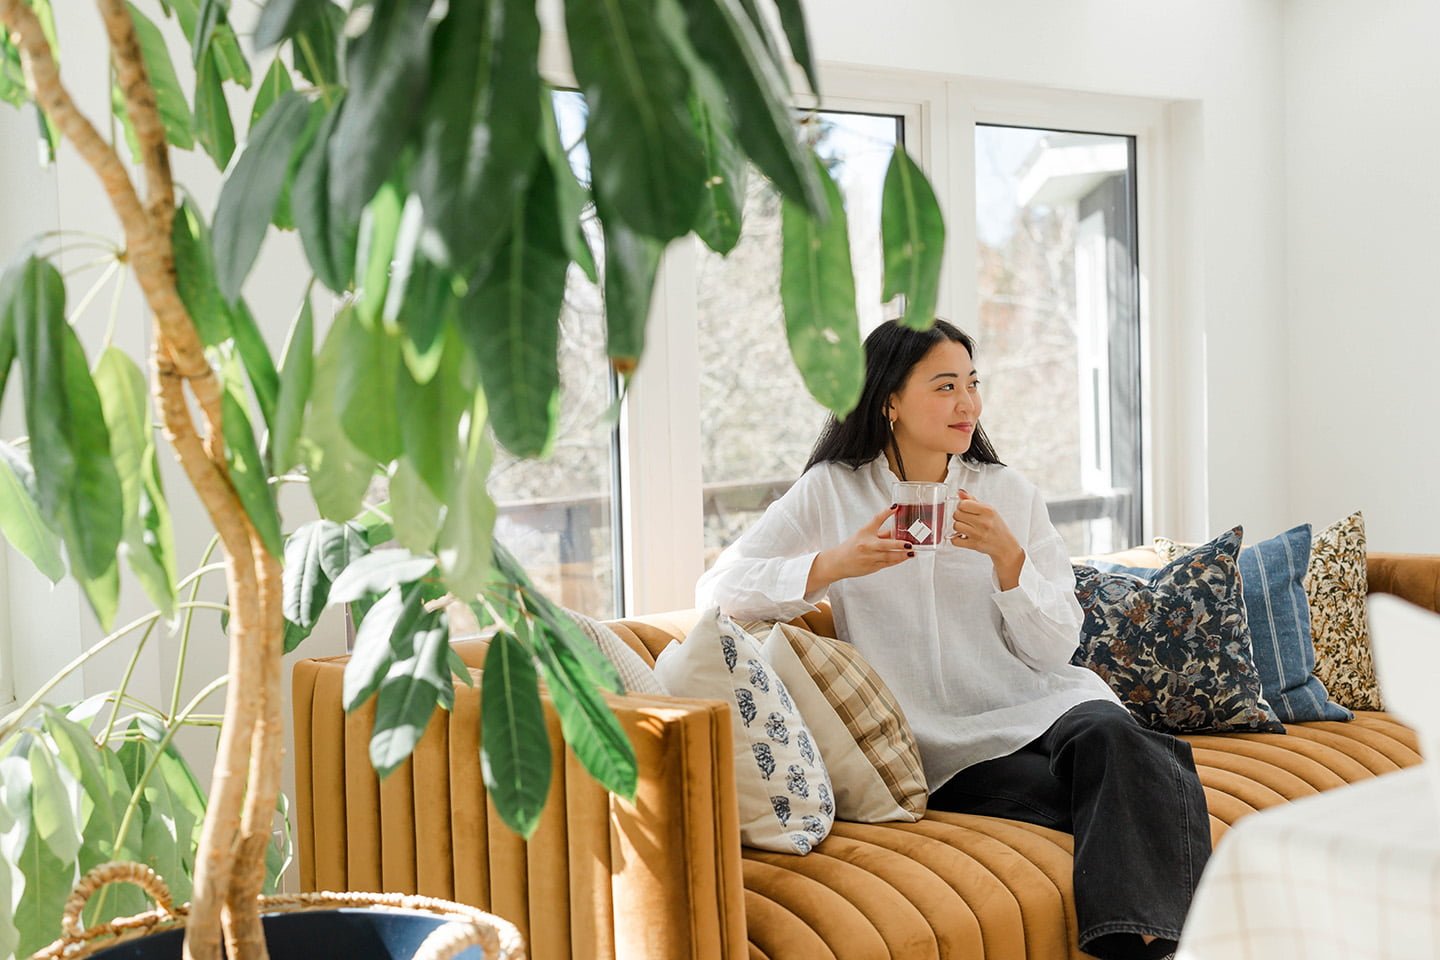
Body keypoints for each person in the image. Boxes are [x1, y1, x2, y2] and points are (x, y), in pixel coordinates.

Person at [696, 319, 1209, 960]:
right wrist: (832, 565)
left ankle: (1136, 949)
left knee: (1114, 737)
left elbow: (1054, 652)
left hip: (1040, 710)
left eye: (972, 384)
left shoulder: (1005, 495)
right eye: (945, 386)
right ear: (888, 400)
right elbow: (715, 591)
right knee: (1143, 776)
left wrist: (1009, 562)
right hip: (941, 750)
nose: (968, 404)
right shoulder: (833, 490)